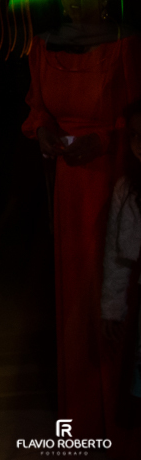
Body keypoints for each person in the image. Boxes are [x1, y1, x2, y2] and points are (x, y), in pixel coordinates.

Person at [23, 0, 141, 460]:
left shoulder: (127, 44)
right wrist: (45, 135)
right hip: (70, 186)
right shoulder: (42, 45)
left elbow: (137, 115)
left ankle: (122, 418)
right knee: (75, 293)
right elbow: (35, 111)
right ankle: (82, 419)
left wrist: (110, 138)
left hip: (117, 178)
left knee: (115, 287)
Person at [102, 103, 141, 416]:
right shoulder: (126, 191)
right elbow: (116, 259)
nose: (139, 144)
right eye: (133, 135)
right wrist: (112, 309)